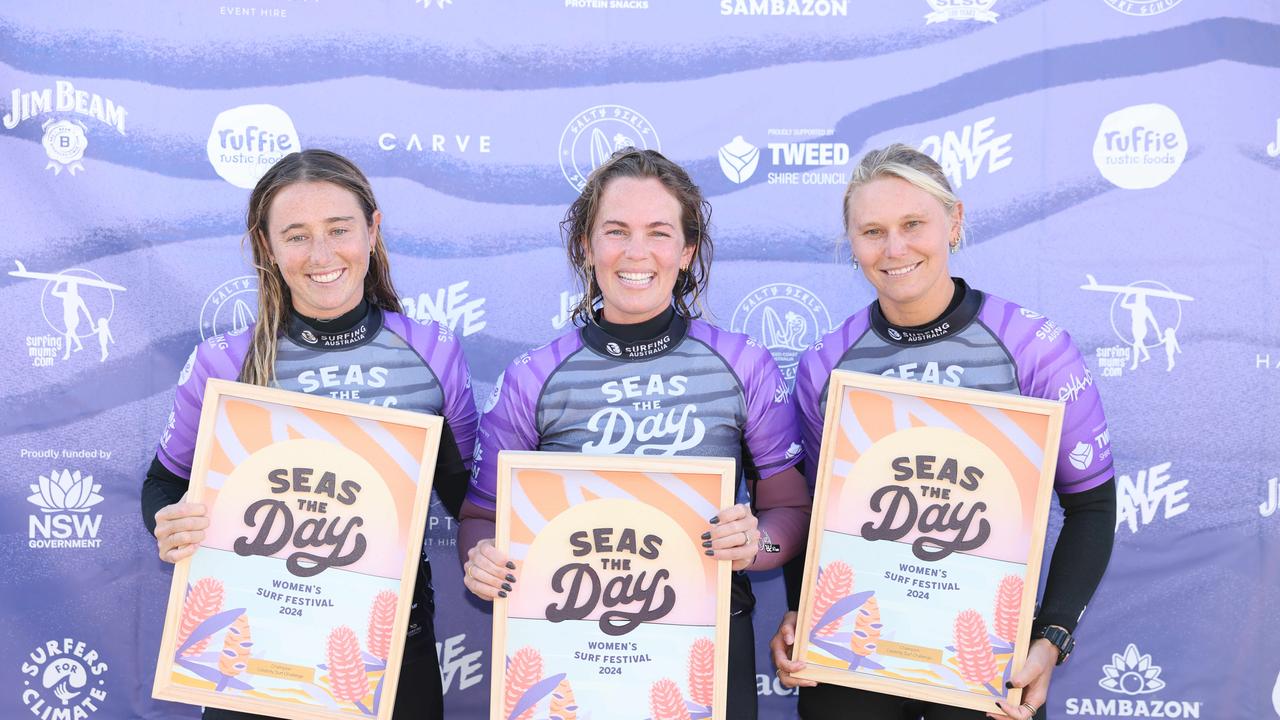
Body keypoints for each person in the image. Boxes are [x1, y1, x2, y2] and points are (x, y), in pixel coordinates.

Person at [458, 148, 812, 720]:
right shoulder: (533, 377)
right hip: (570, 649)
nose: (637, 252)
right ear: (585, 246)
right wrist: (479, 557)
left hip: (708, 645)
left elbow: (790, 511)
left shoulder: (742, 364)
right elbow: (480, 515)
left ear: (687, 249)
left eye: (659, 232)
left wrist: (757, 545)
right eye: (616, 231)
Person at [769, 144, 1116, 720]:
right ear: (851, 243)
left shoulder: (1032, 348)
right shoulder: (826, 364)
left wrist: (1049, 640)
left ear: (954, 221)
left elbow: (1092, 507)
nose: (895, 248)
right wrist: (803, 611)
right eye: (872, 231)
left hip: (987, 659)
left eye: (913, 224)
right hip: (853, 654)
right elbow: (811, 514)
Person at [140, 149, 478, 720]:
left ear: (372, 230)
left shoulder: (431, 353)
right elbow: (162, 483)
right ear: (266, 247)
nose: (322, 255)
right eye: (296, 235)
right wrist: (168, 522)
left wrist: (498, 544)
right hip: (251, 655)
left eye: (339, 229)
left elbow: (468, 501)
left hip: (392, 655)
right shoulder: (225, 362)